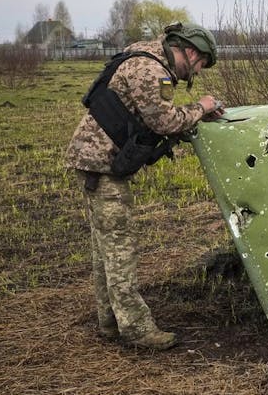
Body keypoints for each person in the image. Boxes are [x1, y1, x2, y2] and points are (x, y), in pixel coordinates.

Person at [66, 22, 225, 350]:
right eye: (199, 65)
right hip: (101, 164)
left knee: (105, 249)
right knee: (119, 248)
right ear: (191, 51)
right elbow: (164, 121)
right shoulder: (154, 71)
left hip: (94, 160)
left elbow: (155, 114)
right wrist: (202, 107)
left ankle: (109, 322)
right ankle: (136, 330)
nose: (194, 73)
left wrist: (194, 114)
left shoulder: (143, 57)